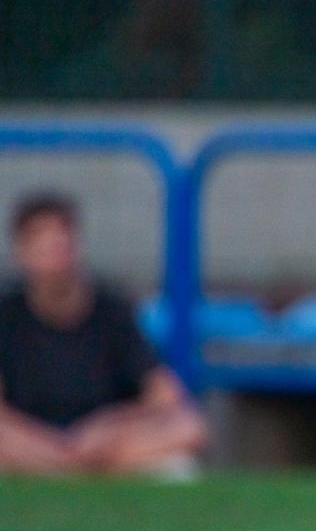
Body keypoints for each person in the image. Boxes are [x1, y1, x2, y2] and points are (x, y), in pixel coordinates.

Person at [0, 193, 208, 476]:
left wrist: (107, 427)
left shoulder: (112, 311)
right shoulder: (8, 315)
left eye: (62, 239)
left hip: (104, 446)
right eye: (41, 243)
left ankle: (76, 471)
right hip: (33, 444)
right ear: (21, 251)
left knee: (188, 426)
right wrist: (48, 446)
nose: (54, 251)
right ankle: (65, 470)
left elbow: (166, 396)